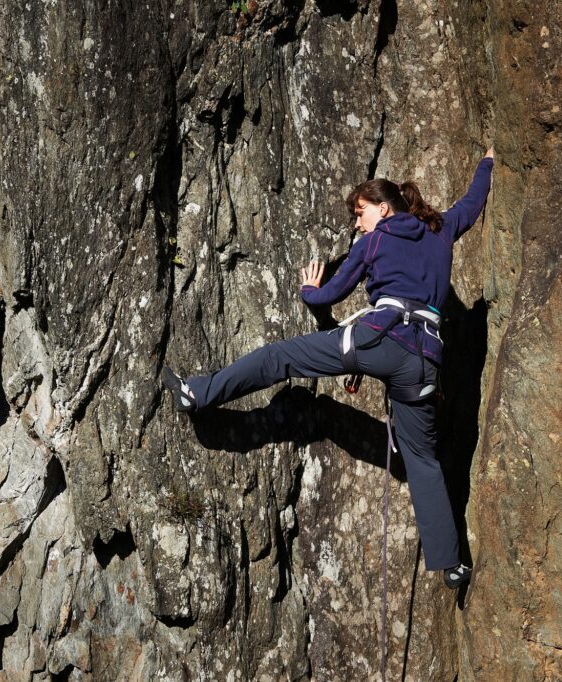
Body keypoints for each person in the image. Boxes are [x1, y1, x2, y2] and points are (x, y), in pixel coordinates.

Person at [161, 149, 495, 588]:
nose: (358, 223)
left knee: (279, 357)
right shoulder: (440, 230)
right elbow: (472, 202)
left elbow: (328, 295)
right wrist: (487, 163)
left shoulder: (374, 240)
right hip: (425, 360)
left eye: (361, 213)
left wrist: (308, 288)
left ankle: (197, 394)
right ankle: (451, 563)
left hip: (379, 338)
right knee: (421, 458)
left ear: (383, 206)